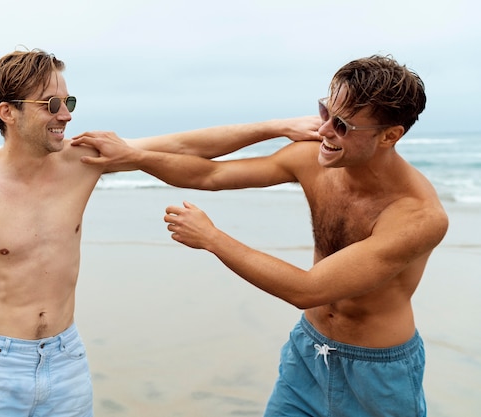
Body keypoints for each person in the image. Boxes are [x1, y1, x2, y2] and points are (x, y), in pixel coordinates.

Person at [0, 48, 321, 417]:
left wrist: (276, 128)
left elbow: (185, 146)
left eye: (69, 101)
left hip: (66, 360)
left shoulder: (81, 162)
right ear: (8, 112)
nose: (66, 114)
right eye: (51, 104)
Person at [71, 55, 448, 416]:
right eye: (324, 113)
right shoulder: (312, 158)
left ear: (390, 136)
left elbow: (308, 289)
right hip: (307, 352)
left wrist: (213, 239)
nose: (323, 131)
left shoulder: (417, 216)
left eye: (343, 126)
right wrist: (135, 157)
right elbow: (209, 175)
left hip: (378, 376)